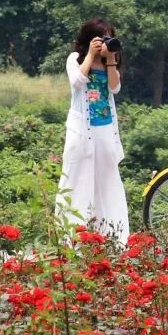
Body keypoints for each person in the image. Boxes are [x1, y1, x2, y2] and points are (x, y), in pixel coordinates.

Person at [56, 17, 130, 244]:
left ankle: (112, 237)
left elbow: (114, 88)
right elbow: (77, 81)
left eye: (110, 36)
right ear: (90, 39)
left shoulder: (111, 60)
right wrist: (90, 55)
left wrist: (110, 60)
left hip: (106, 131)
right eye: (102, 37)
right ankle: (73, 238)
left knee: (108, 183)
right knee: (77, 181)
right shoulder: (75, 59)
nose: (106, 41)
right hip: (81, 133)